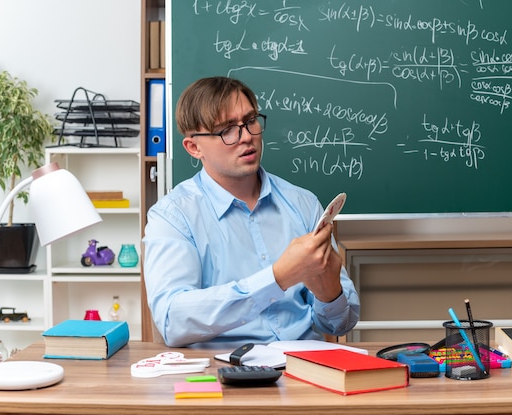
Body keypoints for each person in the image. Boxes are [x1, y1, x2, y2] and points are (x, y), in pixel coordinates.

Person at [143, 76, 360, 347]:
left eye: (250, 121)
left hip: (303, 370)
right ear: (194, 147)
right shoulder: (173, 216)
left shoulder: (303, 204)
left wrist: (330, 293)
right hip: (222, 374)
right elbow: (172, 321)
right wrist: (277, 277)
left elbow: (342, 323)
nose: (246, 136)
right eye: (227, 130)